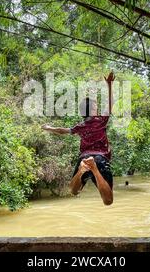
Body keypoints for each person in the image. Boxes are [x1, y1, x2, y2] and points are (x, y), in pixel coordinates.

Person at [41, 72, 115, 205]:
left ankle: (82, 170)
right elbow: (110, 103)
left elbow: (62, 131)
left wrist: (49, 128)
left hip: (84, 159)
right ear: (92, 109)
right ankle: (95, 170)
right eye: (96, 106)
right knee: (108, 201)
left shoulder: (80, 126)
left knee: (74, 191)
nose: (97, 108)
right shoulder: (101, 120)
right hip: (100, 158)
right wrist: (109, 85)